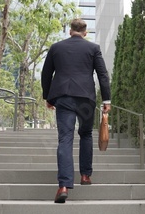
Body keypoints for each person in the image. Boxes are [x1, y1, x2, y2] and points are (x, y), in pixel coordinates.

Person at [41, 18, 111, 203]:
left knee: (65, 138)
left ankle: (63, 186)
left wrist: (47, 97)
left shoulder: (56, 47)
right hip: (86, 98)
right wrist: (107, 99)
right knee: (86, 134)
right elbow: (103, 74)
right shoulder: (93, 48)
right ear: (85, 32)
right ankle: (85, 175)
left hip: (63, 96)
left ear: (70, 31)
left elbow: (46, 73)